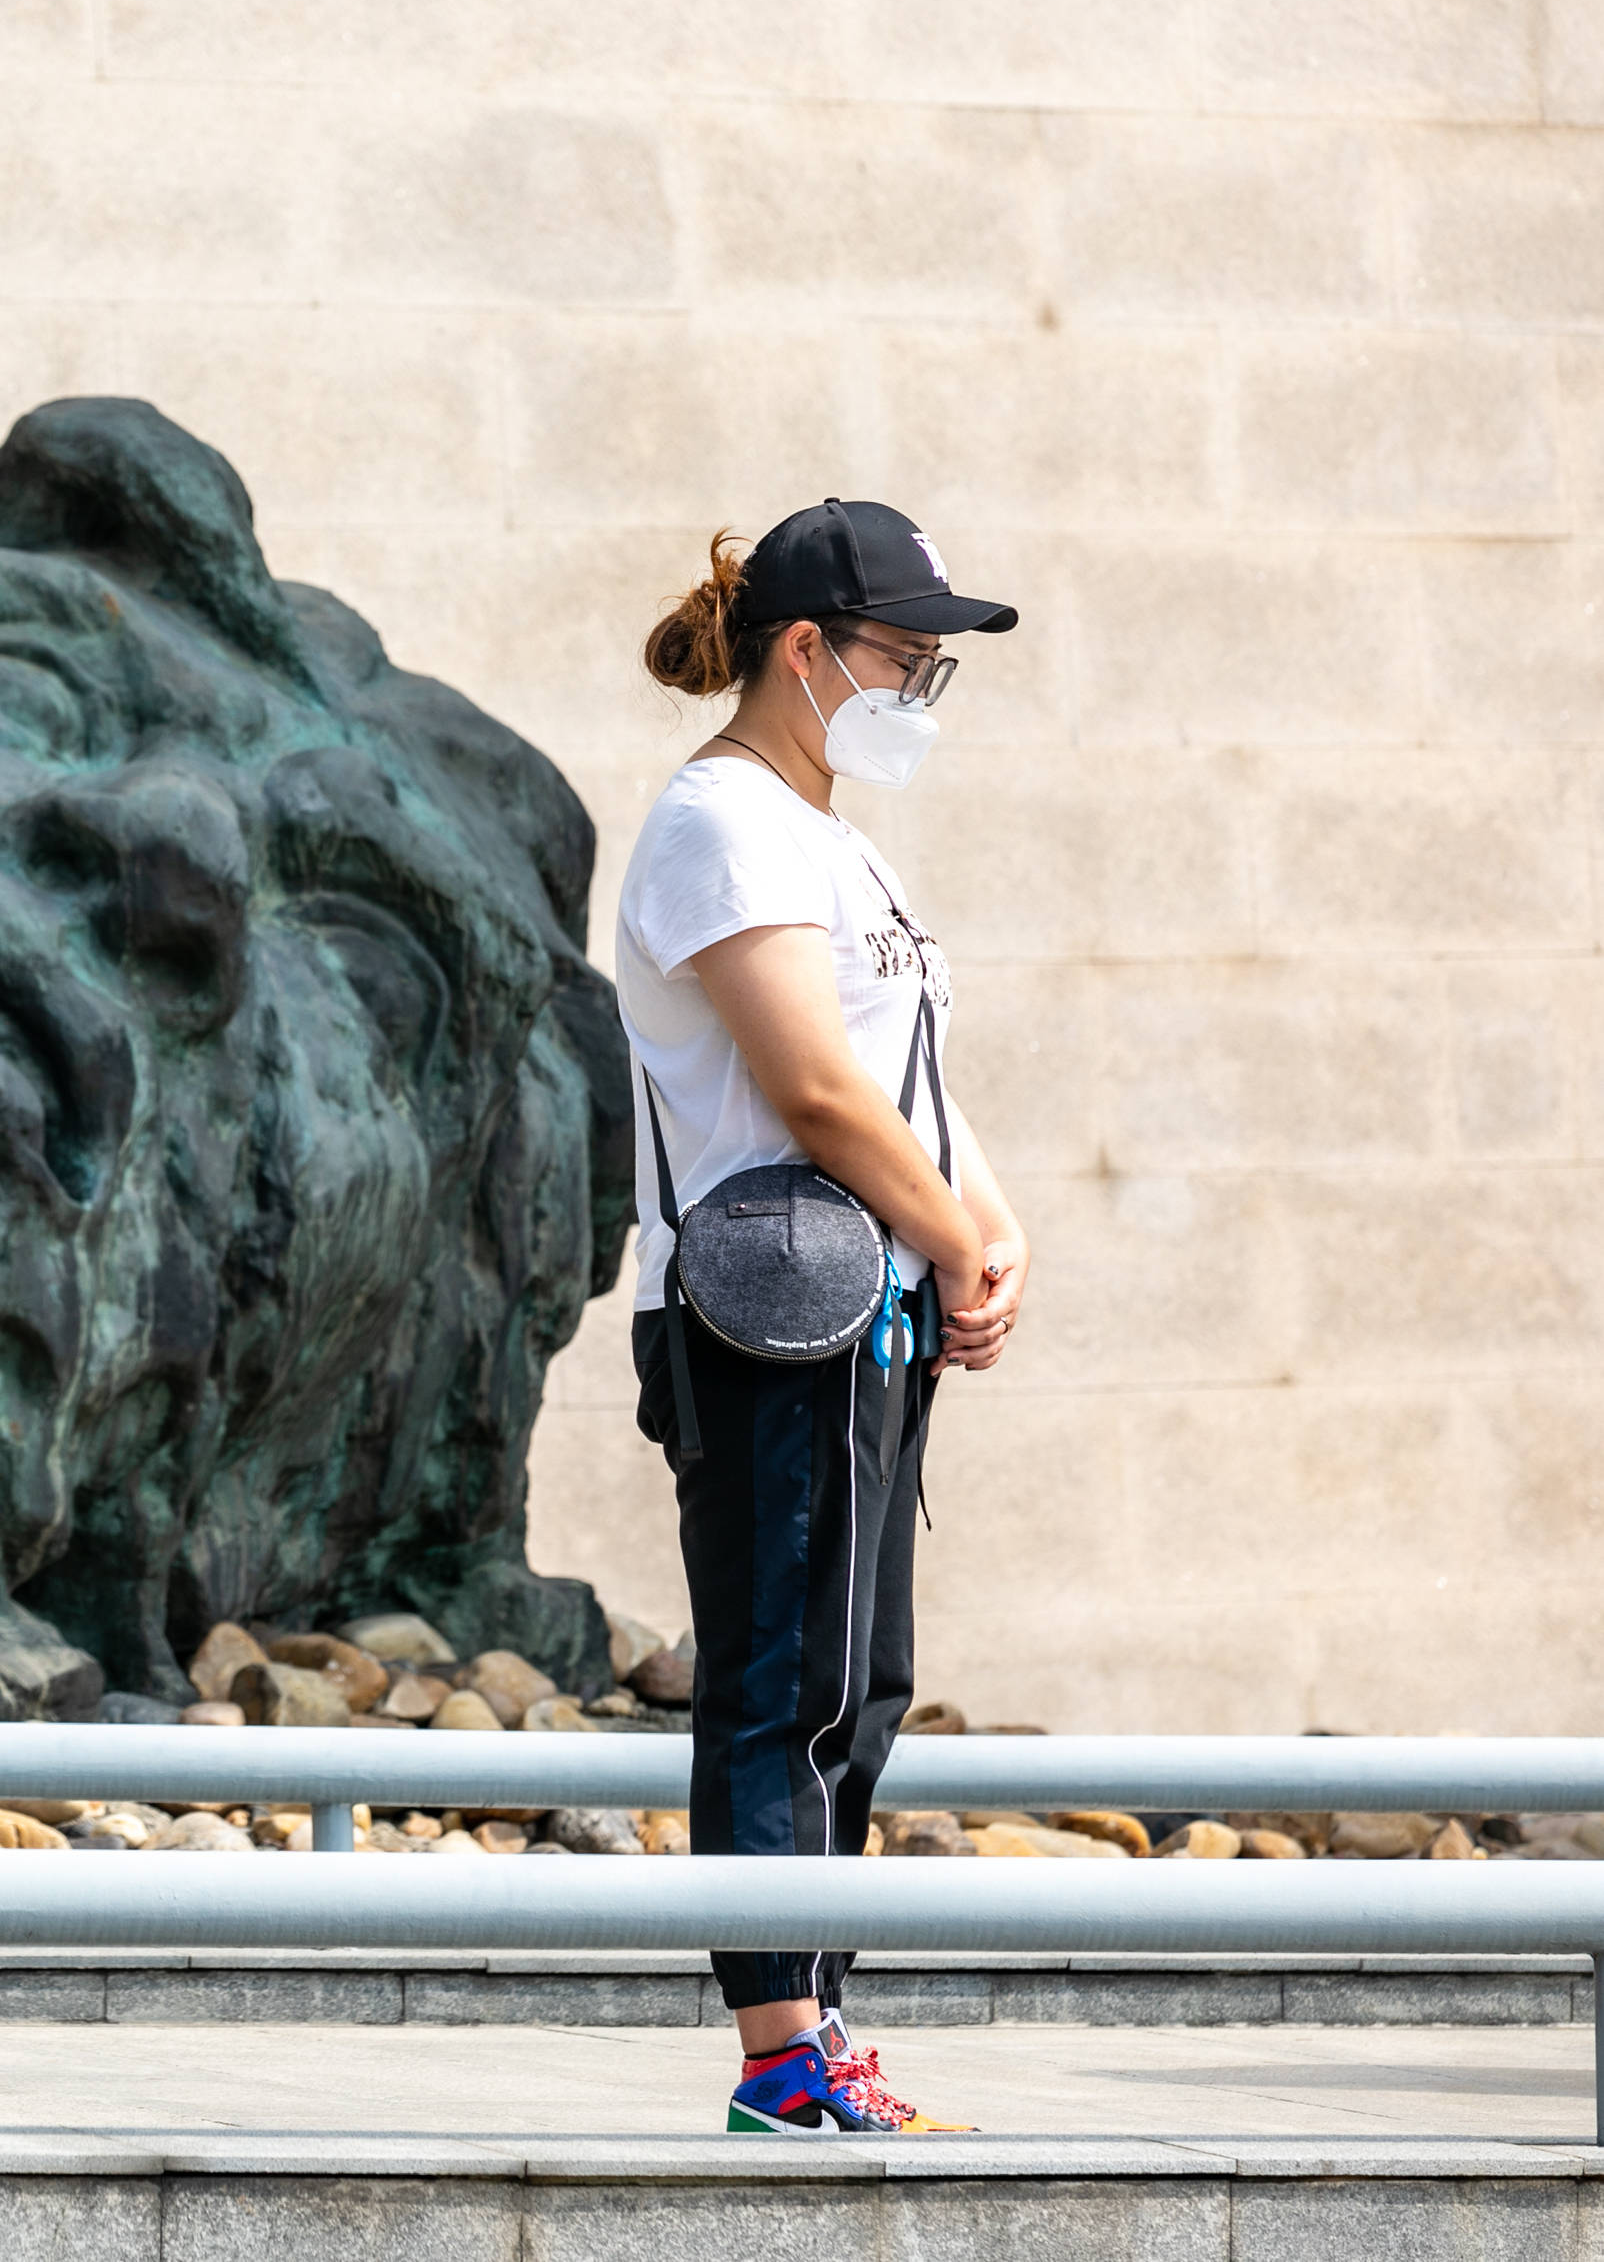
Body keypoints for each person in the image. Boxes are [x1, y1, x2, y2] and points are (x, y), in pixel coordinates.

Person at [618, 501, 1030, 2135]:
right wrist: (944, 1233)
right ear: (804, 649)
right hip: (768, 1313)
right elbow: (807, 1083)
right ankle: (780, 2052)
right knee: (779, 1677)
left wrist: (986, 1235)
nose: (920, 690)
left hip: (866, 1307)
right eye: (902, 659)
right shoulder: (720, 821)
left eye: (935, 668)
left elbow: (908, 1078)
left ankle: (826, 2028)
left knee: (862, 1684)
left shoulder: (833, 835)